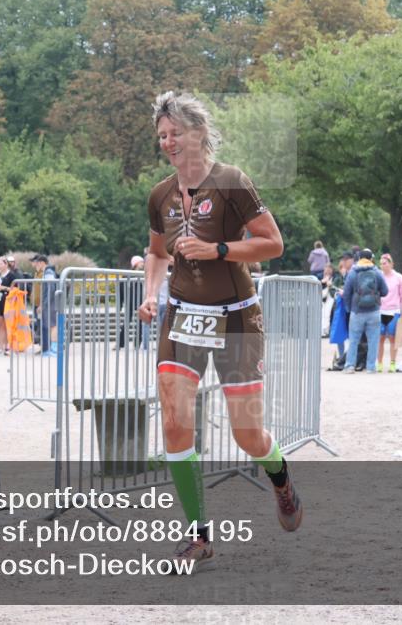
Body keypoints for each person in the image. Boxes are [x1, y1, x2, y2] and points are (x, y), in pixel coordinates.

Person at [138, 90, 301, 571]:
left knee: (247, 434)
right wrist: (152, 293)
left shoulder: (232, 182)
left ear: (199, 133)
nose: (169, 142)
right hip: (183, 316)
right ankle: (198, 536)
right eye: (162, 135)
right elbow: (156, 252)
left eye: (176, 133)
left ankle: (281, 478)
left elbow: (272, 244)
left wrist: (222, 251)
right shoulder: (160, 195)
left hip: (236, 318)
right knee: (173, 421)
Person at [342, 249, 388, 374]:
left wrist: (348, 308)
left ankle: (350, 366)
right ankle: (371, 367)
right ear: (371, 258)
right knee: (373, 340)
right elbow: (385, 291)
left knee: (354, 340)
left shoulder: (353, 272)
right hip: (374, 311)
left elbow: (346, 293)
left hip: (356, 311)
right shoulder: (377, 272)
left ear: (359, 258)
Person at [376, 253, 402, 373]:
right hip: (380, 311)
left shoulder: (398, 277)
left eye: (384, 263)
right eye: (380, 263)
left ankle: (392, 363)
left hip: (394, 311)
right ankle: (379, 363)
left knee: (392, 339)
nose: (382, 265)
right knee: (380, 338)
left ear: (391, 264)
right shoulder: (378, 276)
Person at [31, 254, 58, 355]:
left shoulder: (48, 272)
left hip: (50, 303)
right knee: (50, 325)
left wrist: (43, 304)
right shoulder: (46, 272)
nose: (36, 265)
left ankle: (54, 349)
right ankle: (51, 348)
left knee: (53, 325)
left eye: (37, 263)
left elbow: (50, 289)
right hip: (49, 303)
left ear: (42, 263)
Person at [0, 256, 20, 355]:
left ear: (6, 264)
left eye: (1, 263)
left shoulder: (12, 275)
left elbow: (16, 289)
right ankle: (2, 346)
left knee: (9, 324)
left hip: (8, 301)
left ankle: (10, 346)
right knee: (0, 325)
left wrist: (3, 287)